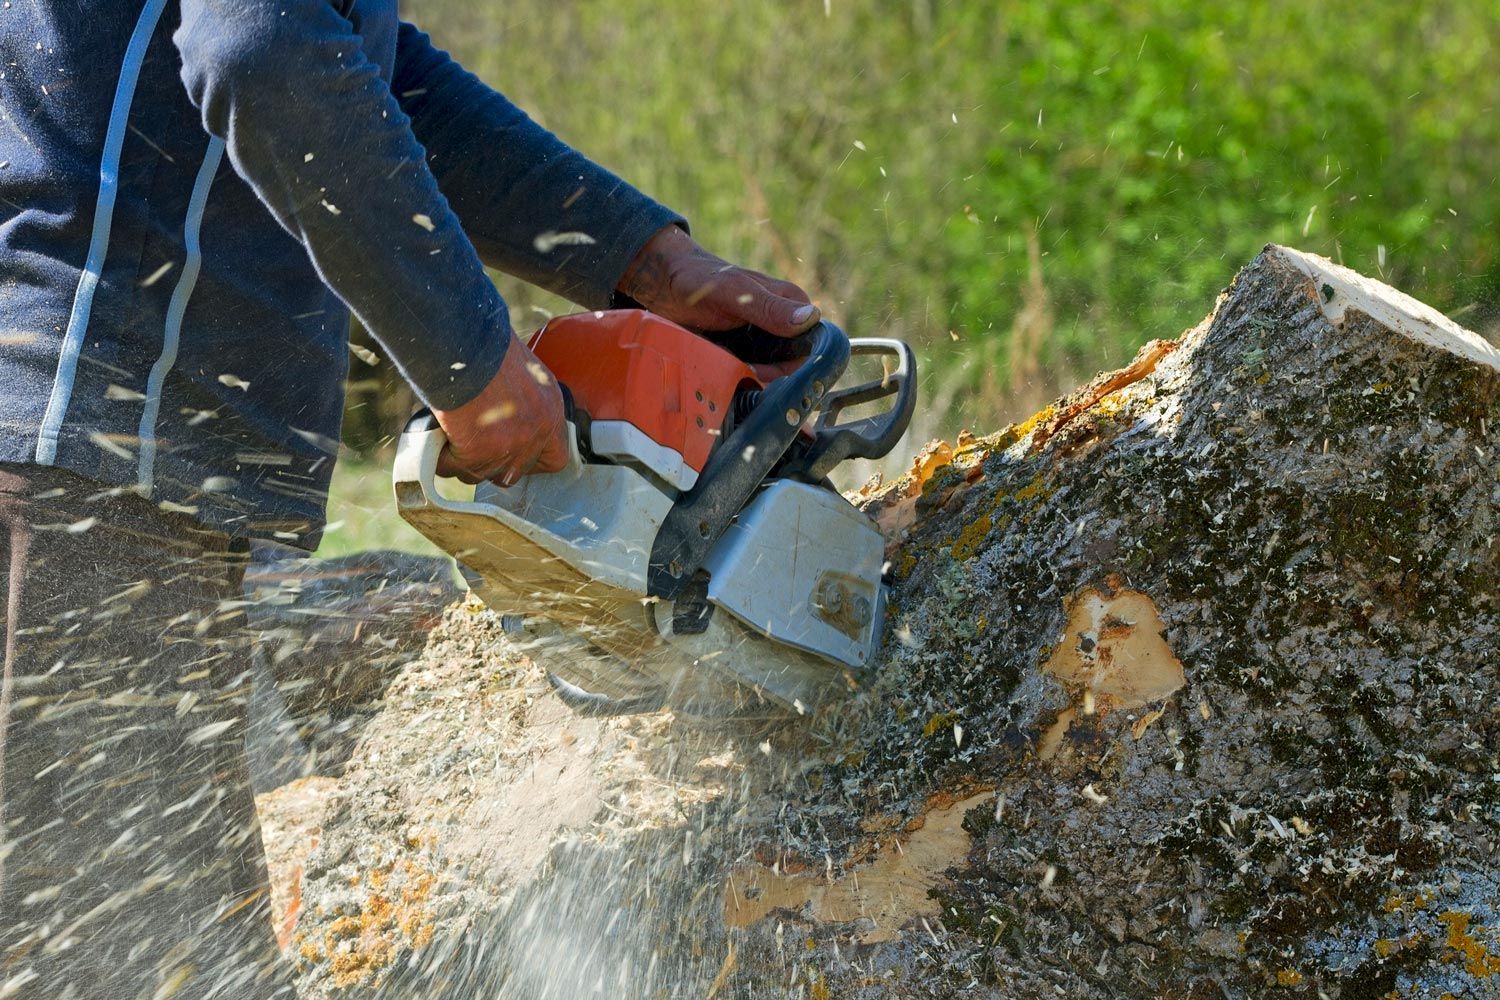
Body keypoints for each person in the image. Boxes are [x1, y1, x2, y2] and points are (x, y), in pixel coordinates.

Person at [0, 2, 819, 996]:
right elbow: (265, 54)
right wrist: (467, 362)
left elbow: (362, 73)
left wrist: (645, 260)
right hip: (80, 471)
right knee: (125, 969)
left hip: (93, 467)